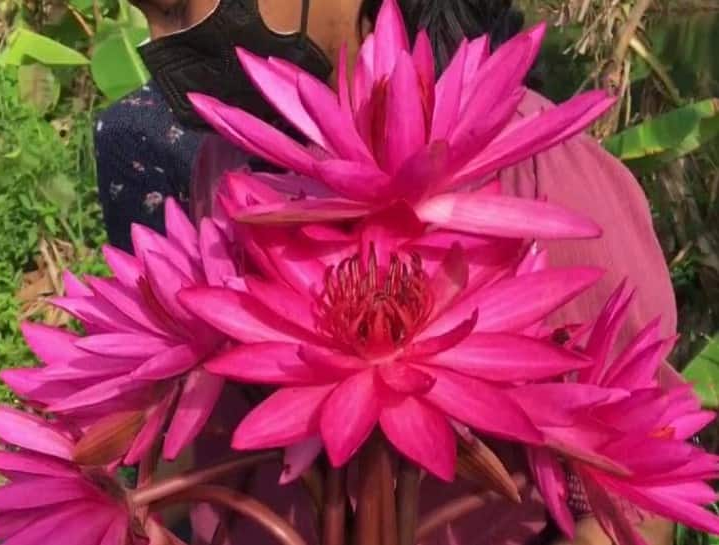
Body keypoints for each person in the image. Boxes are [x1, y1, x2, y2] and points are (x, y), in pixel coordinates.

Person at [93, 1, 678, 544]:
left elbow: (632, 461)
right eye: (159, 12)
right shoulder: (227, 165)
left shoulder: (538, 168)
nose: (179, 35)